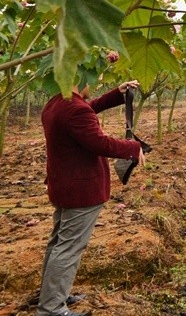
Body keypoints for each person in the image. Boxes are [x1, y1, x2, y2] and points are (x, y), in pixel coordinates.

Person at [38, 78, 145, 316]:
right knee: (68, 247)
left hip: (64, 185)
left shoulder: (57, 103)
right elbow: (98, 142)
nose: (93, 86)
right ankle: (52, 307)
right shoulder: (75, 110)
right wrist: (132, 147)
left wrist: (116, 95)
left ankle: (50, 295)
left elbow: (86, 111)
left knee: (58, 244)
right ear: (80, 78)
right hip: (81, 191)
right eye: (92, 80)